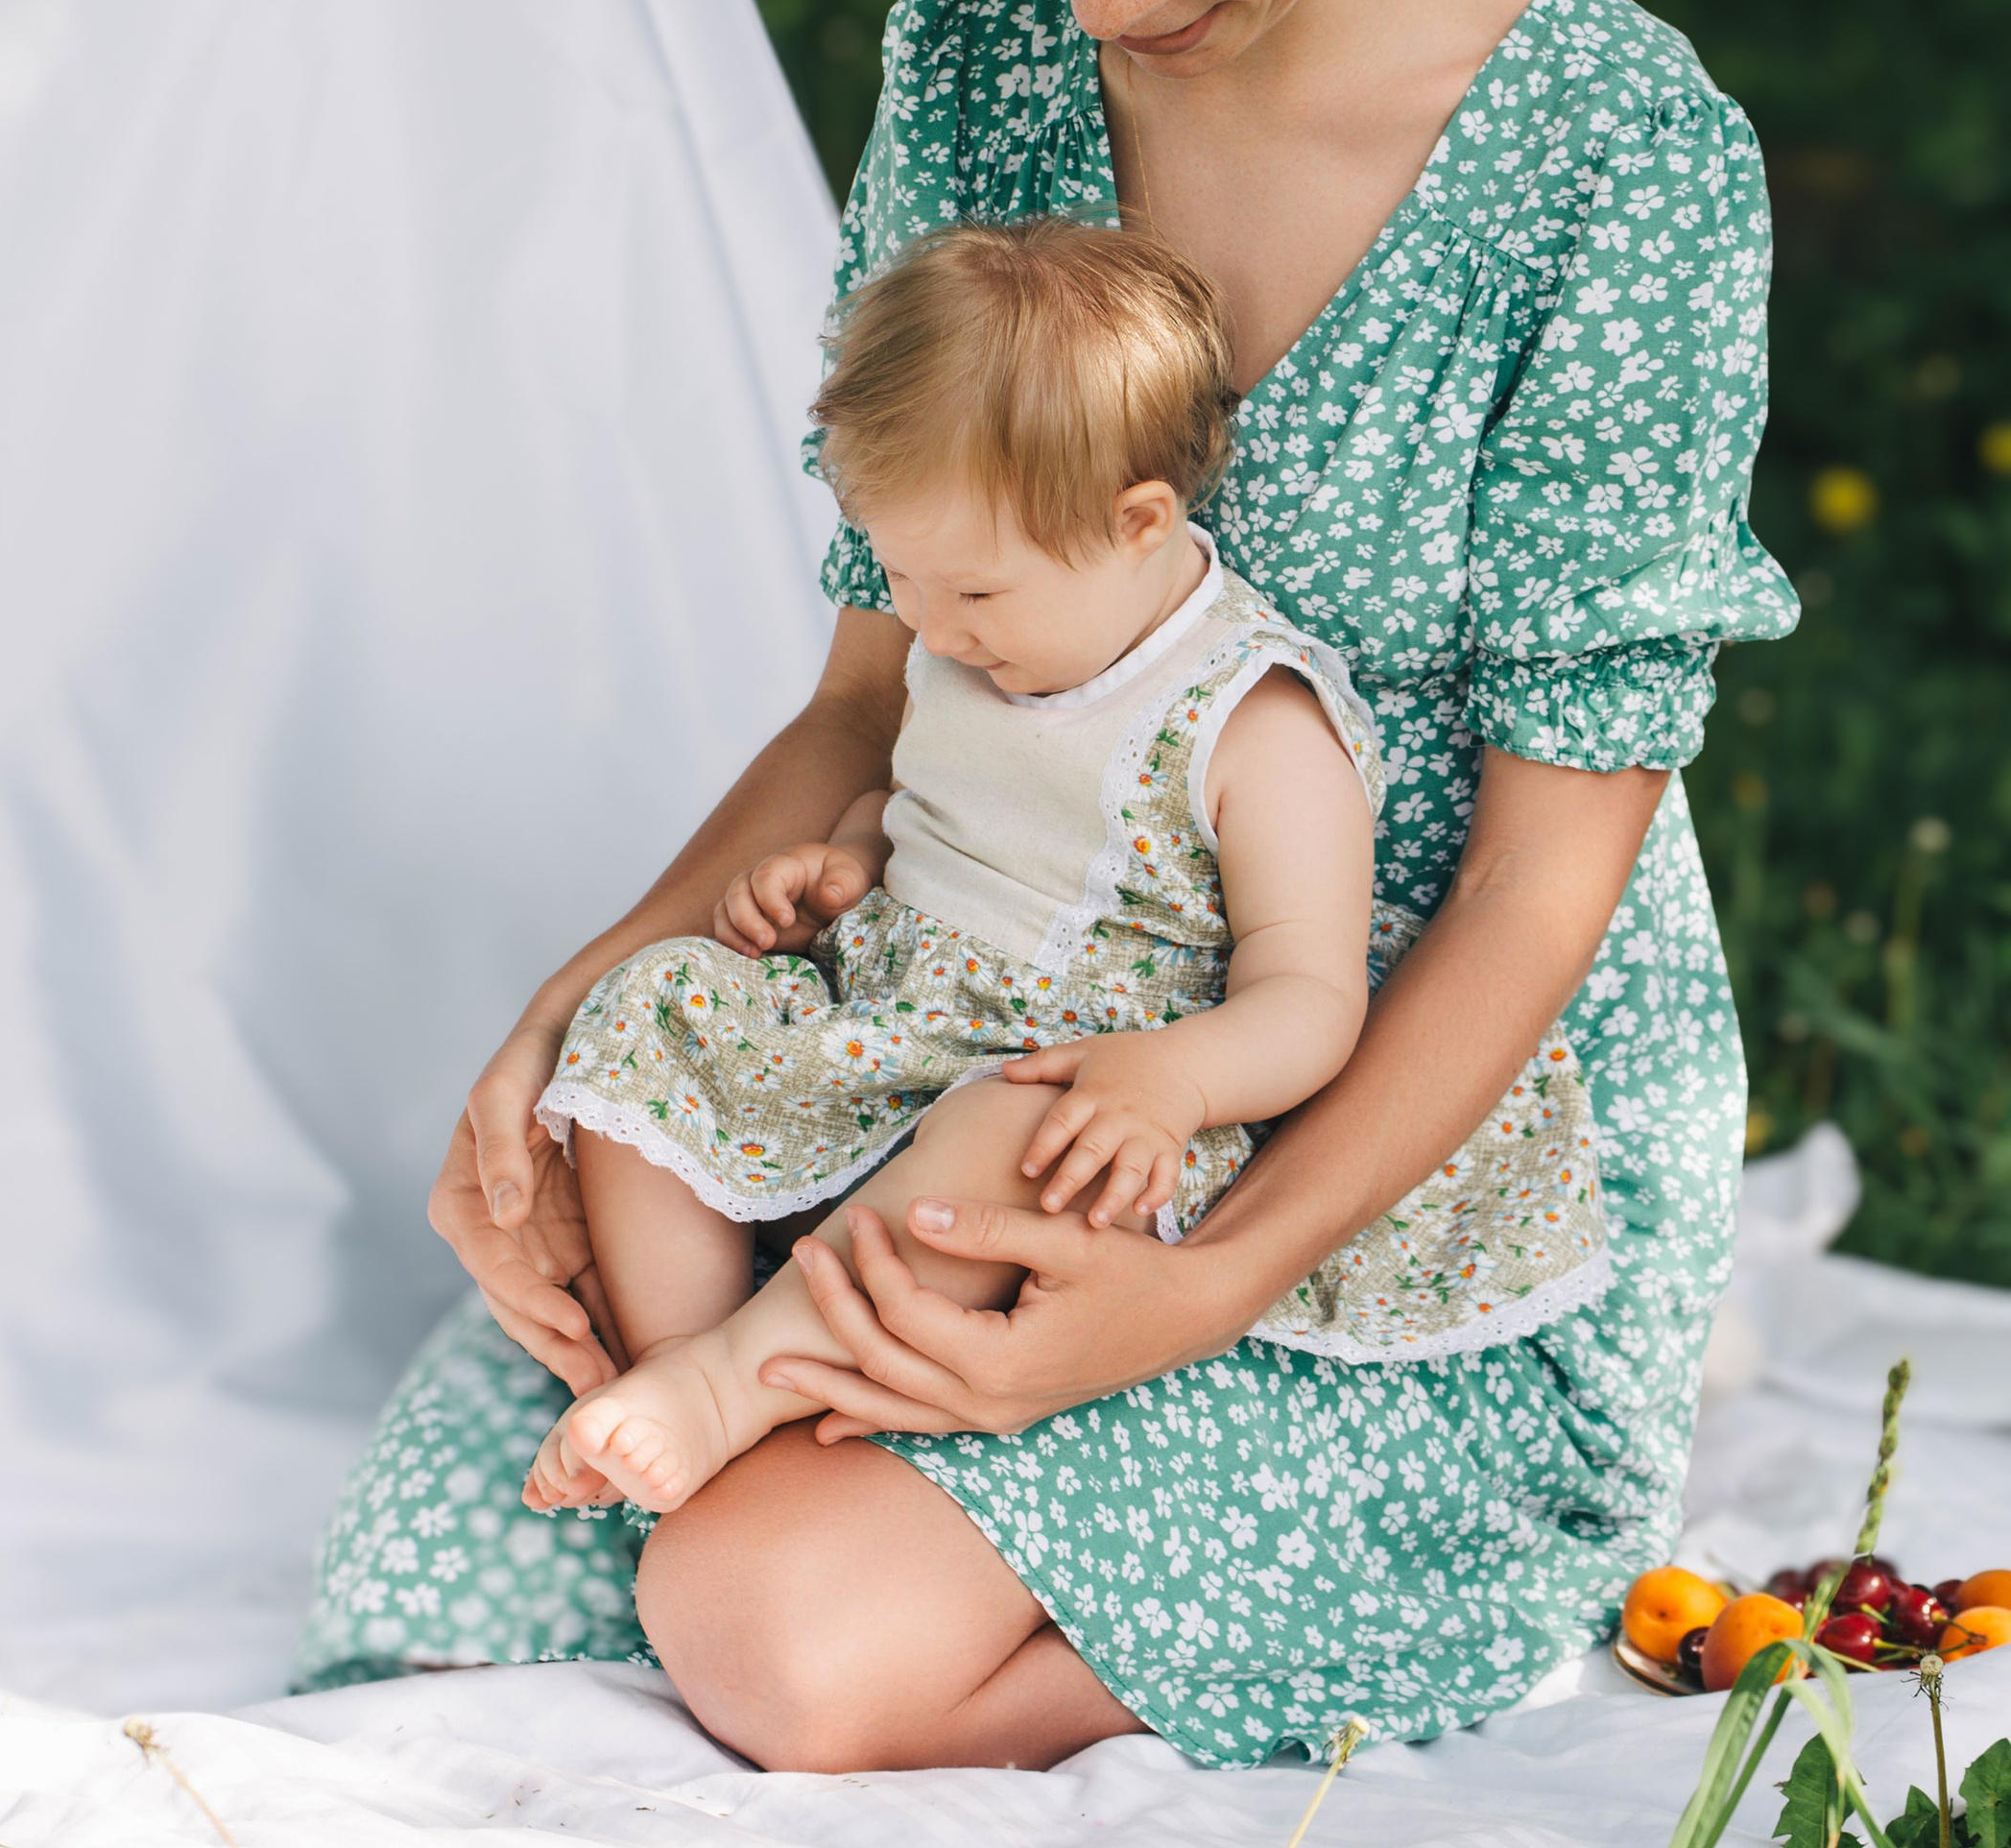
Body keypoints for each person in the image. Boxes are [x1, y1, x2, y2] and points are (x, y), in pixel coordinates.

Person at [299, 0, 1796, 1774]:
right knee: (624, 1262)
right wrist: (580, 1002)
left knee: (764, 1627)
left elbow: (1535, 891)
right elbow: (871, 701)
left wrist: (1195, 1291)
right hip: (990, 1003)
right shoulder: (980, 65)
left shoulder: (1619, 165)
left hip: (1378, 1134)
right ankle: (867, 1424)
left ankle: (1376, 1548)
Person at [524, 218, 1611, 1521]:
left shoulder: (1250, 724)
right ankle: (693, 1360)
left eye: (972, 594)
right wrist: (844, 860)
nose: (930, 627)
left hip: (1083, 1075)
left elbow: (1315, 1002)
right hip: (898, 1018)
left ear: (1137, 521)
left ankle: (725, 1394)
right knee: (654, 1000)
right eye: (903, 581)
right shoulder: (971, 634)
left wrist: (1171, 1079)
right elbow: (933, 801)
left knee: (1013, 1136)